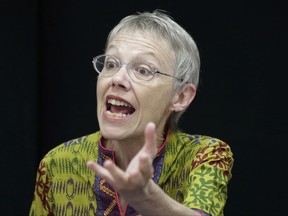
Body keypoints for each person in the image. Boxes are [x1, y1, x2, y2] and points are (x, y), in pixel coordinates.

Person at [30, 9, 233, 216]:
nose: (117, 78)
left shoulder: (205, 155)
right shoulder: (57, 163)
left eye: (143, 70)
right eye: (111, 64)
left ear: (180, 97)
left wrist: (147, 199)